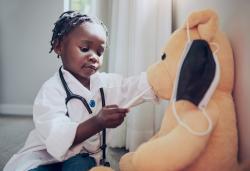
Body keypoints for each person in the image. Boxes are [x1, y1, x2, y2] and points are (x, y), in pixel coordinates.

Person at [4, 10, 157, 171]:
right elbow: (57, 135)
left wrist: (159, 76)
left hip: (81, 157)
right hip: (45, 157)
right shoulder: (51, 90)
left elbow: (132, 87)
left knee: (81, 166)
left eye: (99, 52)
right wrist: (97, 122)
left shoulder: (107, 84)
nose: (94, 57)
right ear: (58, 46)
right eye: (85, 48)